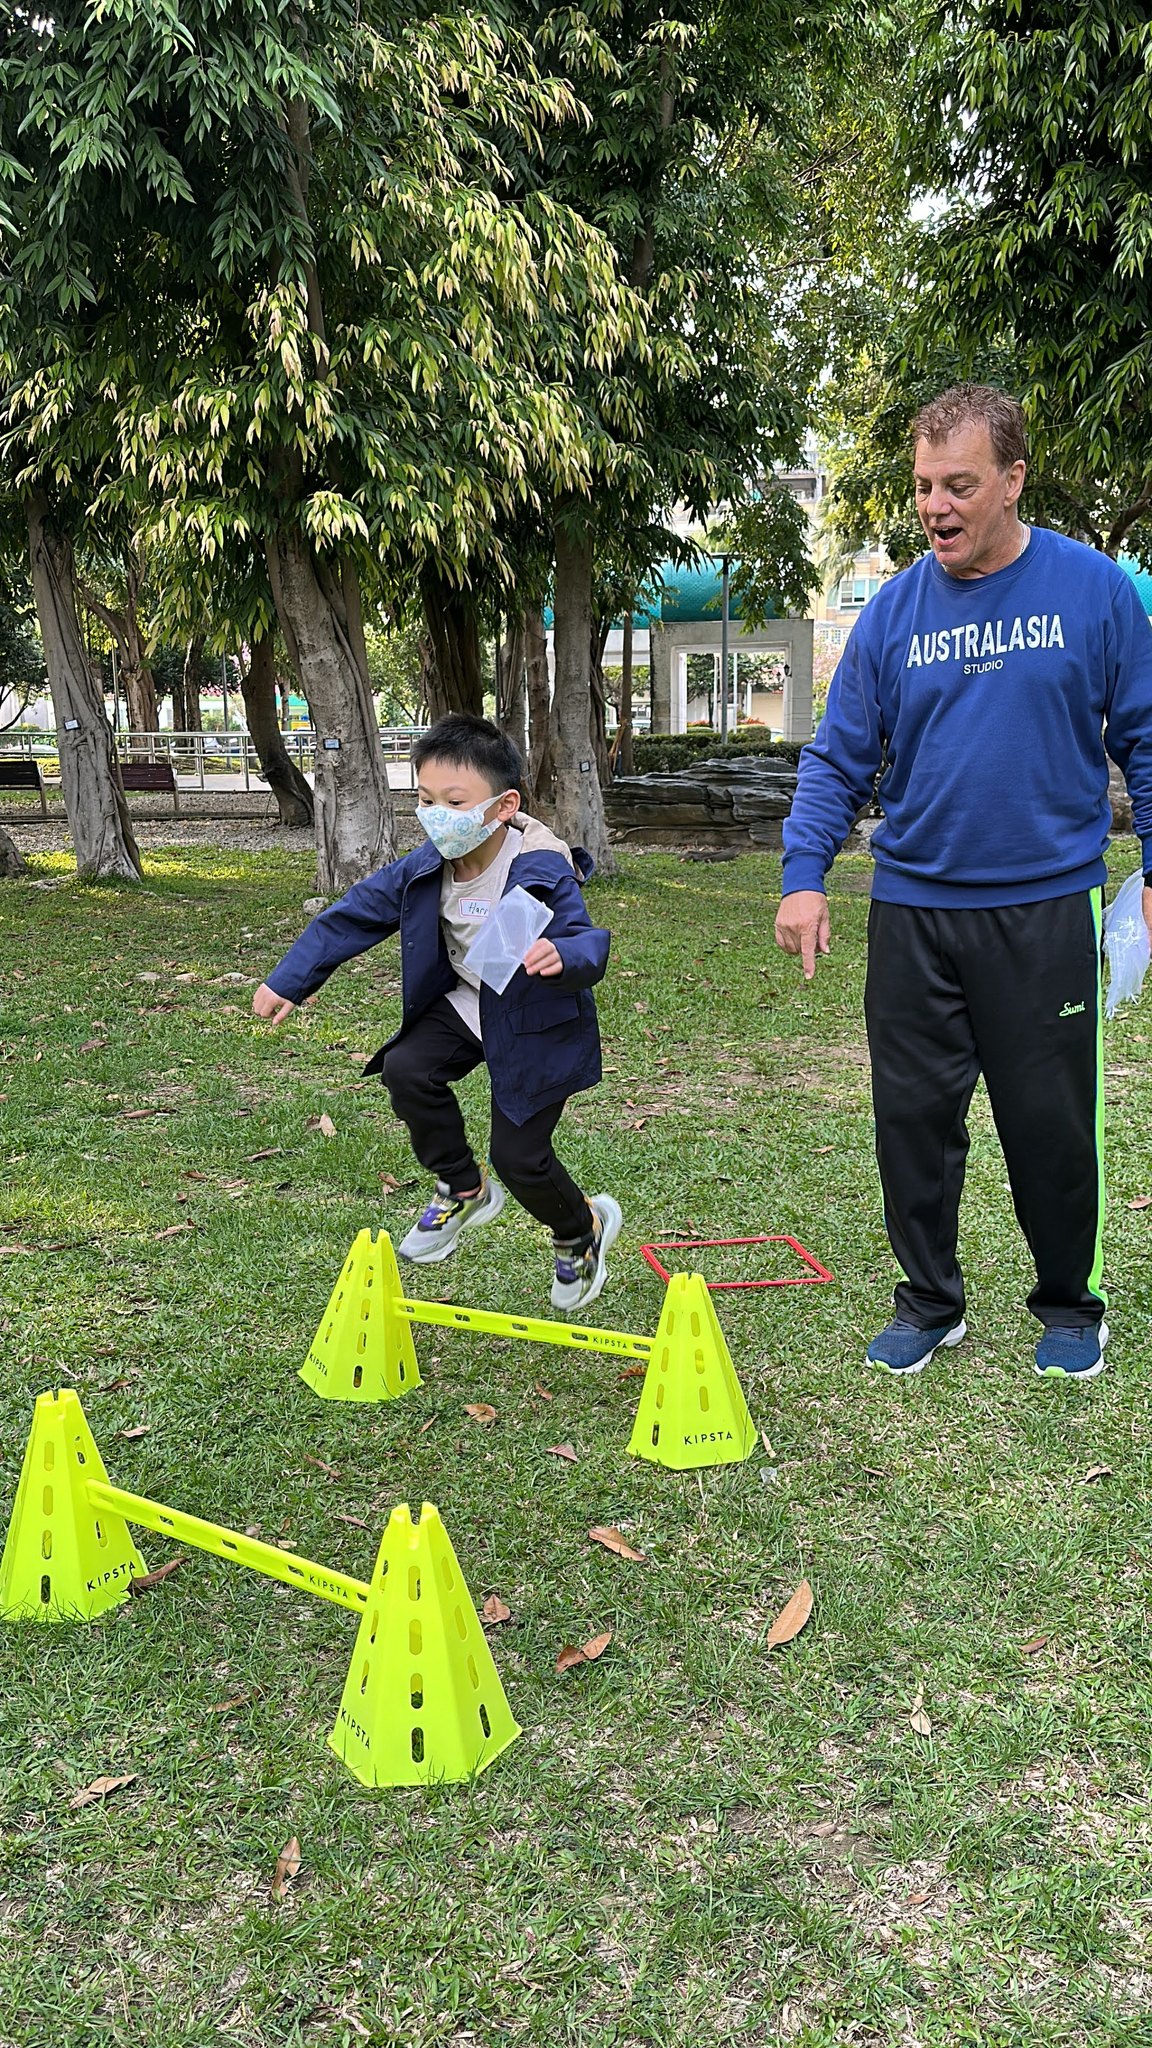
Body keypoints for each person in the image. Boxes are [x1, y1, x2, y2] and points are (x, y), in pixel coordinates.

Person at [775, 384, 1152, 1382]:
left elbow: (1148, 737)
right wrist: (804, 874)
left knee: (1050, 1123)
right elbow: (838, 758)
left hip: (1045, 907)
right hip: (915, 910)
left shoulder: (1094, 590)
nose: (935, 507)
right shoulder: (893, 612)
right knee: (912, 1122)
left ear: (1013, 479)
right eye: (924, 486)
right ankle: (930, 1303)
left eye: (960, 485)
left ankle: (1069, 1306)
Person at [254, 714, 621, 1312]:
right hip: (470, 1001)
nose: (436, 814)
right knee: (407, 1068)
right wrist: (290, 979)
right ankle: (463, 1186)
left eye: (454, 802)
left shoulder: (541, 866)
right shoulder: (425, 865)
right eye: (426, 800)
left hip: (533, 1018)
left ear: (503, 806)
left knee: (520, 1159)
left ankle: (582, 1231)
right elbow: (354, 913)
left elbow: (585, 939)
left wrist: (564, 955)